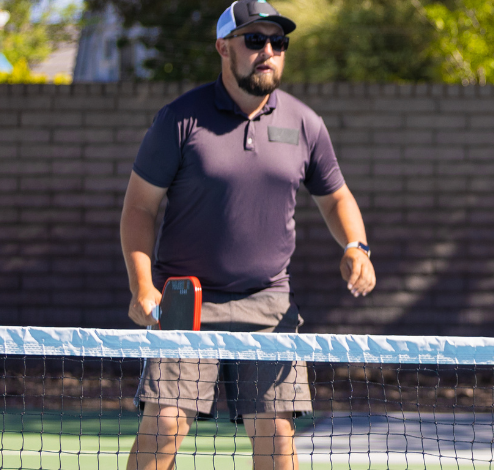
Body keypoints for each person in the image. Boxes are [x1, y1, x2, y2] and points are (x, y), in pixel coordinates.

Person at [118, 2, 374, 469]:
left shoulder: (305, 123)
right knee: (167, 423)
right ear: (224, 48)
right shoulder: (179, 120)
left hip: (269, 302)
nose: (268, 51)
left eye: (278, 43)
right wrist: (142, 284)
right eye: (255, 41)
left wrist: (356, 246)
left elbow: (337, 197)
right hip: (186, 303)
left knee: (276, 434)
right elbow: (139, 207)